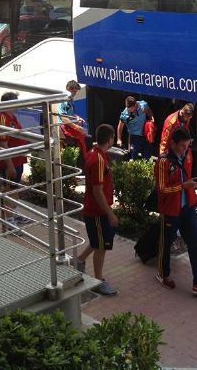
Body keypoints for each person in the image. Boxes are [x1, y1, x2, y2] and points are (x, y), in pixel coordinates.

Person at [155, 126, 197, 297]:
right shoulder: (163, 162)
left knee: (196, 243)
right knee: (166, 243)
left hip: (188, 208)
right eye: (182, 146)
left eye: (187, 146)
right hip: (171, 210)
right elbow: (161, 189)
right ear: (173, 143)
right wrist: (183, 186)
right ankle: (162, 273)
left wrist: (193, 194)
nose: (185, 150)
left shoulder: (187, 155)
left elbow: (186, 179)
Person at [74, 124, 119, 296]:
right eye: (113, 137)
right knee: (101, 245)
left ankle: (78, 261)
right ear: (109, 139)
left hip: (95, 210)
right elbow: (97, 190)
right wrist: (110, 213)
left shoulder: (96, 154)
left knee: (96, 241)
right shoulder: (99, 159)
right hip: (98, 212)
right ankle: (99, 281)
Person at [0, 91, 30, 229]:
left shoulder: (11, 117)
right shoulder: (3, 119)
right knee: (10, 190)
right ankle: (9, 221)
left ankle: (12, 215)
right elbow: (3, 144)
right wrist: (10, 166)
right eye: (16, 101)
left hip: (18, 161)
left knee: (13, 189)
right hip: (11, 163)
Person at [117, 95, 154, 160]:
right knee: (133, 158)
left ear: (135, 105)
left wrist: (151, 118)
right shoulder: (125, 114)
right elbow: (120, 126)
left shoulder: (143, 105)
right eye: (128, 108)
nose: (129, 110)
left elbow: (149, 111)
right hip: (134, 137)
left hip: (145, 135)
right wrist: (119, 139)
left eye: (131, 108)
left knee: (146, 158)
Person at [58, 80, 87, 156]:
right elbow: (64, 118)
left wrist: (77, 117)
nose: (75, 94)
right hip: (63, 129)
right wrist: (77, 127)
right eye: (74, 92)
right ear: (68, 88)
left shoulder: (70, 99)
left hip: (69, 126)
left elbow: (70, 113)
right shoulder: (65, 100)